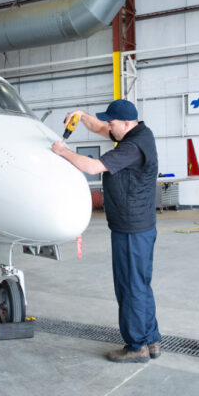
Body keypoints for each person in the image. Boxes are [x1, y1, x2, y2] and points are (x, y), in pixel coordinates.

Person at [52, 99, 161, 363]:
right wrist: (81, 114)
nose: (108, 126)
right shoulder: (139, 132)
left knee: (129, 287)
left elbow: (92, 167)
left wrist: (62, 151)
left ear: (126, 123)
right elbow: (101, 129)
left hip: (130, 229)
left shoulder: (132, 147)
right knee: (140, 284)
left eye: (112, 122)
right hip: (139, 226)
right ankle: (151, 340)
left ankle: (136, 347)